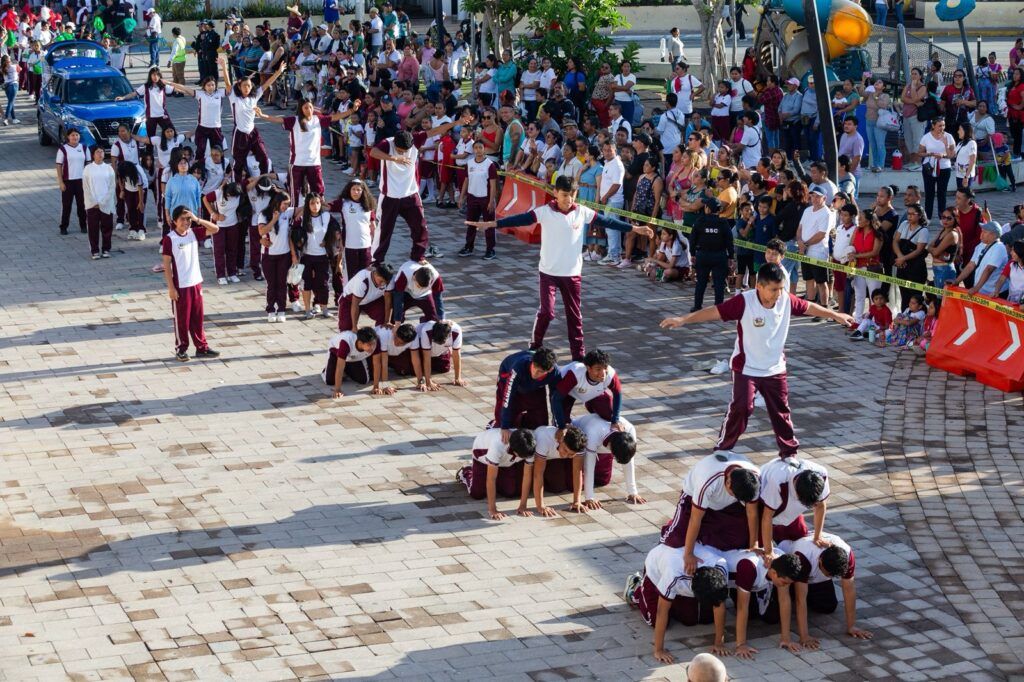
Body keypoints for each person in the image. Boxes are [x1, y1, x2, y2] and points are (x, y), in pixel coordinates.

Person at [661, 264, 855, 457]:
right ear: (759, 287)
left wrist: (835, 314)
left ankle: (789, 454)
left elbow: (809, 307)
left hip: (775, 369)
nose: (778, 294)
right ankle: (723, 450)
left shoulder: (786, 300)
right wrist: (683, 319)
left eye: (780, 288)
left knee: (781, 412)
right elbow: (715, 311)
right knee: (742, 408)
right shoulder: (745, 302)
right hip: (746, 369)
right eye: (773, 289)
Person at [468, 175, 653, 361]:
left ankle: (578, 357)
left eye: (572, 195)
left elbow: (608, 222)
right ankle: (534, 346)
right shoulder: (544, 212)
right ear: (555, 193)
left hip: (572, 275)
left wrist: (635, 229)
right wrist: (492, 224)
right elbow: (520, 219)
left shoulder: (582, 212)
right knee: (547, 313)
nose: (569, 199)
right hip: (548, 273)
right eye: (565, 195)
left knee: (575, 318)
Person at [370, 110, 474, 263]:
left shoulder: (416, 139)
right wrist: (393, 158)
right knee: (384, 231)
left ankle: (418, 256)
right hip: (390, 195)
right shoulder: (388, 143)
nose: (404, 153)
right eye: (400, 151)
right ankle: (376, 261)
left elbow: (435, 131)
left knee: (420, 228)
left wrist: (457, 123)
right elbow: (373, 152)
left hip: (410, 193)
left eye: (406, 151)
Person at [625, 543, 730, 664]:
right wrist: (659, 650)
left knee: (698, 619)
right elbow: (661, 612)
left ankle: (673, 598)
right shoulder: (674, 574)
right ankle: (636, 590)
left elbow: (719, 604)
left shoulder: (721, 567)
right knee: (653, 618)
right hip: (657, 573)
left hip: (682, 577)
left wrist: (719, 643)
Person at [775, 533, 873, 646]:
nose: (829, 577)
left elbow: (849, 589)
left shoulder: (847, 554)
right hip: (793, 574)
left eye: (832, 576)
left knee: (828, 606)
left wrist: (852, 626)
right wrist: (804, 636)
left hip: (813, 578)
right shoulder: (803, 556)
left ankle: (813, 592)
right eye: (827, 573)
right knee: (778, 612)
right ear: (820, 560)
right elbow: (800, 600)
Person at [256, 99, 358, 206]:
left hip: (314, 163)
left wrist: (351, 110)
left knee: (318, 190)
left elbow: (335, 117)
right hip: (297, 163)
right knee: (294, 192)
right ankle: (294, 216)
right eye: (305, 108)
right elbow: (278, 120)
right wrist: (262, 116)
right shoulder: (294, 120)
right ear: (301, 109)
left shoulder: (318, 119)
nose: (309, 110)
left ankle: (319, 212)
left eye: (310, 107)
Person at [161, 206, 221, 362]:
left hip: (196, 283)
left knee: (198, 318)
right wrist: (171, 288)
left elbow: (215, 229)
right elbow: (166, 265)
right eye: (182, 219)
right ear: (174, 221)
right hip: (180, 286)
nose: (186, 222)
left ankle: (202, 347)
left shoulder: (194, 233)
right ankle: (181, 348)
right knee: (182, 320)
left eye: (188, 219)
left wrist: (197, 219)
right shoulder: (170, 239)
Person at [220, 54, 286, 183]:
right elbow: (228, 83)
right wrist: (223, 66)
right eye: (244, 86)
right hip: (240, 134)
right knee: (238, 163)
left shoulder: (254, 96)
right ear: (239, 87)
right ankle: (237, 187)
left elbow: (267, 84)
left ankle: (263, 181)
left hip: (253, 132)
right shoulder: (234, 97)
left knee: (264, 158)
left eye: (249, 86)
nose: (247, 88)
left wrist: (279, 72)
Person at [456, 428, 537, 520]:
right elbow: (491, 479)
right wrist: (493, 510)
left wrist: (523, 506)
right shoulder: (498, 445)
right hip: (483, 458)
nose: (526, 458)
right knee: (477, 493)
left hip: (505, 462)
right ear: (514, 451)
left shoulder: (530, 445)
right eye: (523, 457)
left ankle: (498, 472)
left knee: (511, 491)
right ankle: (467, 471)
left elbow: (527, 475)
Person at [492, 347, 564, 436]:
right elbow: (508, 396)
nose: (535, 373)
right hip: (509, 378)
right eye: (534, 367)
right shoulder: (518, 367)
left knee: (540, 425)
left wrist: (560, 426)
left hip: (535, 386)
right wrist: (504, 427)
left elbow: (555, 400)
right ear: (532, 361)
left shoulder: (555, 374)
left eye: (540, 371)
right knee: (503, 422)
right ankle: (494, 424)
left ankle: (520, 420)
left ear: (549, 370)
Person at [689, 195, 735, 311]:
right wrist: (731, 256)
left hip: (703, 255)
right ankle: (719, 309)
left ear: (708, 209)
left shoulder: (700, 221)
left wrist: (692, 253)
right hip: (719, 256)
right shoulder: (723, 223)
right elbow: (729, 240)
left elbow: (693, 239)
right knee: (719, 284)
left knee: (701, 283)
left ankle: (697, 306)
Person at [458, 140, 498, 259]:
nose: (478, 150)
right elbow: (466, 181)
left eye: (480, 147)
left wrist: (491, 201)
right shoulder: (469, 163)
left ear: (484, 149)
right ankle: (468, 247)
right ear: (473, 150)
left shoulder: (490, 165)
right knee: (471, 223)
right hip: (472, 198)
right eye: (476, 148)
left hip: (485, 199)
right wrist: (462, 197)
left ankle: (490, 249)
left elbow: (493, 185)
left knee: (488, 225)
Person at [953, 221, 1009, 297]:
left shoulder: (999, 247)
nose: (981, 234)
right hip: (982, 290)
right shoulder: (981, 245)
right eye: (982, 231)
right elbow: (971, 265)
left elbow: (989, 269)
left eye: (985, 232)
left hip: (993, 293)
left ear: (993, 235)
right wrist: (956, 281)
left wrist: (976, 288)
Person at [322, 327, 381, 397]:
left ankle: (346, 369)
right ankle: (325, 370)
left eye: (373, 344)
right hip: (335, 354)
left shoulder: (376, 342)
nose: (372, 347)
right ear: (360, 343)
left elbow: (377, 364)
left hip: (354, 358)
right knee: (330, 381)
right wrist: (337, 390)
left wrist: (376, 386)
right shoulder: (346, 342)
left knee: (363, 380)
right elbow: (340, 367)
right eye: (369, 345)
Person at [893, 203, 931, 310]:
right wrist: (900, 256)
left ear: (919, 215)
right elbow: (895, 241)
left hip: (915, 268)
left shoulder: (923, 230)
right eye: (908, 214)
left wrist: (903, 258)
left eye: (912, 214)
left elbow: (919, 250)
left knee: (915, 296)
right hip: (902, 266)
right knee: (904, 295)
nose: (909, 216)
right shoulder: (904, 224)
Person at [82, 145, 116, 260]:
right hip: (92, 204)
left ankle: (106, 249)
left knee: (107, 227)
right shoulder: (88, 169)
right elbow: (86, 187)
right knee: (93, 228)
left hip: (106, 204)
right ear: (93, 154)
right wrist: (94, 201)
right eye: (97, 152)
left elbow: (112, 186)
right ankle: (94, 250)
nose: (100, 154)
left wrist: (104, 201)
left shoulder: (109, 168)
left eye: (101, 152)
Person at [338, 261, 395, 331]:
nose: (383, 284)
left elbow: (388, 300)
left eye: (385, 282)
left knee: (384, 318)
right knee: (346, 328)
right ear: (375, 274)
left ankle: (379, 336)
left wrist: (387, 321)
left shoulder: (390, 280)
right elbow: (355, 304)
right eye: (381, 281)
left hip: (371, 300)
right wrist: (354, 326)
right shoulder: (362, 280)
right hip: (350, 300)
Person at [918, 118, 955, 220]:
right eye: (939, 125)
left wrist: (944, 149)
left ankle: (942, 217)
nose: (941, 128)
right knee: (929, 193)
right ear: (933, 125)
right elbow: (920, 153)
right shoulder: (926, 137)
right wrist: (930, 154)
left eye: (943, 125)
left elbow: (952, 154)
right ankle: (927, 218)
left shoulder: (948, 136)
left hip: (944, 168)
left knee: (941, 194)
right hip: (929, 168)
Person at [415, 319, 466, 390]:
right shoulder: (426, 330)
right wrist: (428, 381)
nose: (439, 343)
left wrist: (458, 378)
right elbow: (426, 357)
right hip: (422, 349)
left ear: (449, 334)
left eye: (442, 342)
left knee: (444, 368)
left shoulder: (456, 331)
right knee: (411, 370)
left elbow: (456, 355)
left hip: (440, 352)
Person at [55, 128, 88, 235]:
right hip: (68, 181)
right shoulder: (63, 149)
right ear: (68, 137)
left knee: (82, 205)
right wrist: (61, 182)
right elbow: (59, 166)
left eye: (77, 135)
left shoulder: (84, 148)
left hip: (81, 181)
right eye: (73, 135)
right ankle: (63, 227)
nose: (75, 137)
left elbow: (88, 164)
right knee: (66, 206)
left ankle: (83, 226)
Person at [993, 240, 1024, 305]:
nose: (1011, 253)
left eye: (1013, 250)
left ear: (1020, 251)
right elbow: (1001, 279)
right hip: (1011, 301)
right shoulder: (1011, 263)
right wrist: (996, 291)